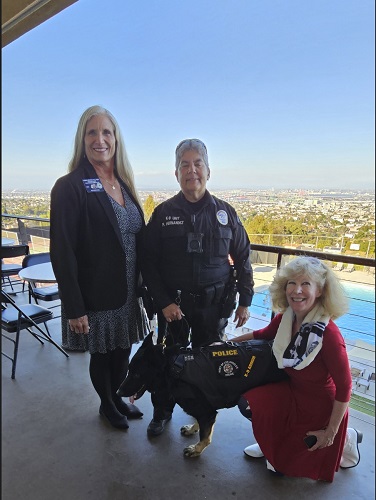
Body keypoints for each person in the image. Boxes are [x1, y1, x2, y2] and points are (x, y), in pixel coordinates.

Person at [141, 138, 254, 436]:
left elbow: (243, 257)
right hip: (173, 309)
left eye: (198, 163)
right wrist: (164, 301)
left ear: (208, 170)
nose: (192, 170)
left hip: (213, 307)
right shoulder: (163, 214)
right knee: (168, 362)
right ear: (176, 173)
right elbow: (148, 263)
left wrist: (245, 300)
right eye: (185, 165)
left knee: (208, 364)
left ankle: (202, 416)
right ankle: (162, 412)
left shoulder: (226, 213)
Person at [50, 105, 147, 430]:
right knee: (102, 356)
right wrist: (74, 307)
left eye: (107, 132)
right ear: (83, 139)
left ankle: (117, 397)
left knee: (122, 353)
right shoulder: (70, 186)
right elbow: (62, 251)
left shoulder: (124, 182)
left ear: (116, 139)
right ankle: (107, 405)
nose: (100, 139)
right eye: (92, 132)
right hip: (95, 295)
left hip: (128, 292)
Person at [232, 256, 362, 482]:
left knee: (280, 468)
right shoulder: (286, 318)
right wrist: (225, 346)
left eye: (305, 284)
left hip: (320, 404)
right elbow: (261, 335)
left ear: (319, 291)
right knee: (250, 401)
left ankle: (345, 437)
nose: (297, 290)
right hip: (293, 391)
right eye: (291, 283)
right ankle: (270, 442)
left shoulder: (328, 334)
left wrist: (330, 433)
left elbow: (345, 386)